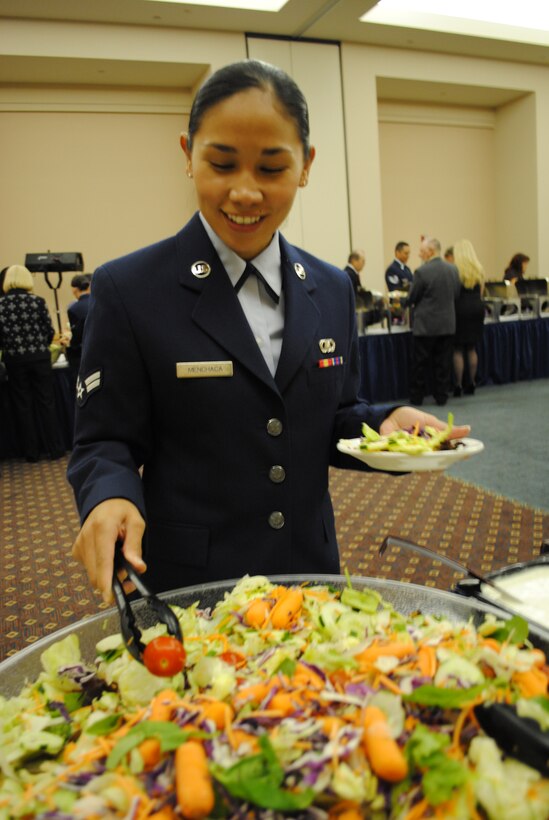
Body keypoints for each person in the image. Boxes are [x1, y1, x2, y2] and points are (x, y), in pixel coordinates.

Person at [67, 59, 469, 603]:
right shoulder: (130, 289)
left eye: (272, 168)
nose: (246, 192)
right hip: (195, 585)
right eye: (222, 164)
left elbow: (334, 418)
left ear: (306, 165)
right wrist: (109, 496)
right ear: (188, 155)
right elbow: (104, 439)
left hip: (310, 573)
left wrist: (385, 422)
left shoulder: (330, 288)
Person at [0, 265, 65, 462]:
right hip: (40, 358)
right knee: (47, 403)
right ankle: (55, 449)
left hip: (15, 360)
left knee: (23, 406)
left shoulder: (1, 305)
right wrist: (40, 346)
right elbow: (49, 331)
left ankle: (31, 452)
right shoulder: (38, 301)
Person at [408, 237, 461, 406]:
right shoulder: (453, 270)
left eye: (422, 251)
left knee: (420, 364)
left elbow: (412, 297)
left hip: (426, 326)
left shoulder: (421, 272)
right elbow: (456, 294)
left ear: (430, 252)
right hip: (447, 324)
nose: (419, 254)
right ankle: (442, 397)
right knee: (443, 363)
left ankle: (417, 398)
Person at [452, 239, 485, 396]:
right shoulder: (479, 269)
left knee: (458, 348)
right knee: (472, 348)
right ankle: (471, 382)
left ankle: (458, 385)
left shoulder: (454, 270)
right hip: (476, 309)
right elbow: (481, 293)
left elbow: (453, 294)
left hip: (460, 309)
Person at [62, 273, 92, 387]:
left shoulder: (74, 308)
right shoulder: (97, 302)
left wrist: (70, 344)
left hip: (81, 353)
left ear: (74, 289)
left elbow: (77, 335)